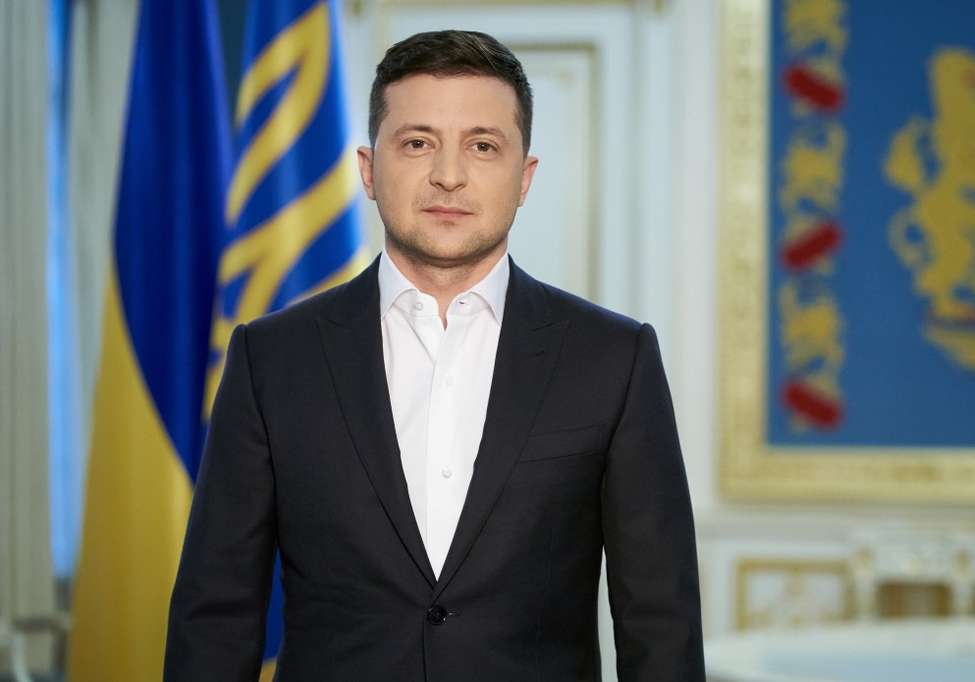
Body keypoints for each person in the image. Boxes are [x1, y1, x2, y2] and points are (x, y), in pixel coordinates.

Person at [165, 29, 704, 682]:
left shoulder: (614, 359)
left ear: (524, 176)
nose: (449, 175)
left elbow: (660, 625)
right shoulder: (270, 358)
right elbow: (215, 617)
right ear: (369, 170)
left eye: (483, 146)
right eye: (418, 143)